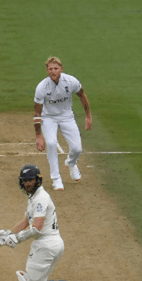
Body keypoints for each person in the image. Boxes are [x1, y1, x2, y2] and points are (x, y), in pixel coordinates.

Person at [0, 165, 73, 281]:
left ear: (37, 180)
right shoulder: (34, 198)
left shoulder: (40, 198)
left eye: (31, 180)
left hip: (45, 245)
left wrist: (16, 239)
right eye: (25, 181)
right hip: (55, 244)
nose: (28, 184)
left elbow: (36, 229)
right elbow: (25, 222)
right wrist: (7, 234)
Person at [33, 56, 92, 191]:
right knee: (52, 143)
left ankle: (71, 163)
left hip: (67, 116)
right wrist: (38, 136)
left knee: (77, 149)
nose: (53, 71)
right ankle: (56, 179)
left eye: (56, 68)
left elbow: (82, 95)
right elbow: (37, 113)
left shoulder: (71, 81)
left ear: (61, 69)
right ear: (47, 70)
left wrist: (88, 116)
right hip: (48, 118)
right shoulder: (42, 87)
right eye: (50, 69)